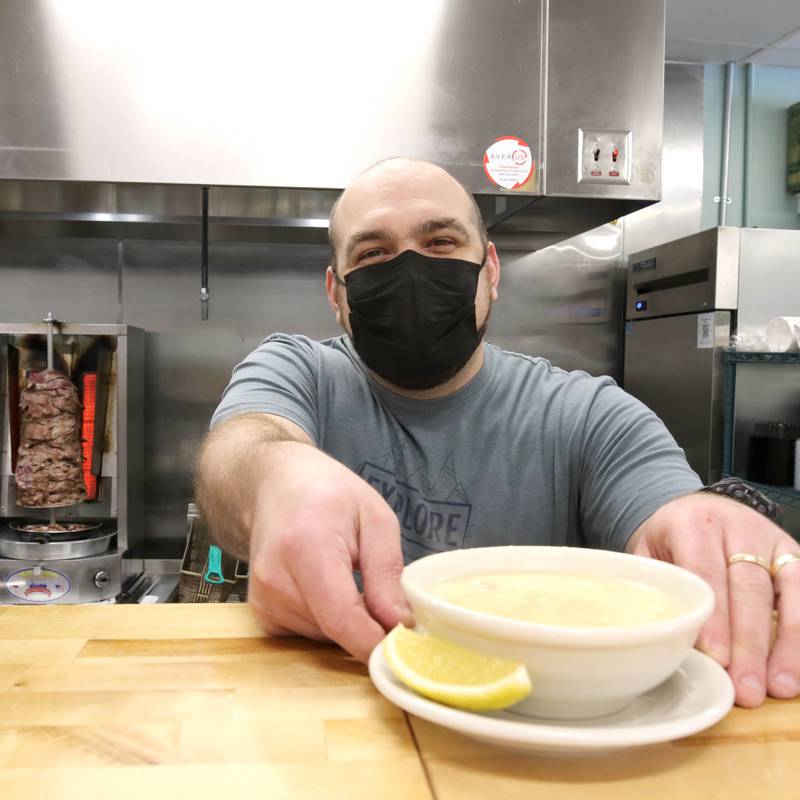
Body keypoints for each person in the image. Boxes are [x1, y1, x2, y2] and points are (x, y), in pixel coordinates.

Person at [195, 157, 800, 709]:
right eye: (373, 254)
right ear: (337, 293)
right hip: (328, 721)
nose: (410, 269)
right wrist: (278, 474)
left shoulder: (586, 414)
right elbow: (242, 446)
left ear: (489, 271)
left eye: (441, 242)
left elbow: (668, 513)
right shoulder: (301, 370)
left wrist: (708, 529)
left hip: (535, 732)